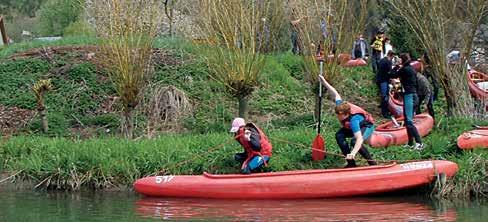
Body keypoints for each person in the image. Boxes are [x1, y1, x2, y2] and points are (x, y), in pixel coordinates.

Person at [318, 75, 377, 168]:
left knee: (354, 141)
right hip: (351, 126)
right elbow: (335, 94)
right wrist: (324, 82)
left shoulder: (354, 120)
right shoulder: (340, 106)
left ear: (346, 114)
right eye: (337, 114)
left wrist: (353, 153)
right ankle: (351, 164)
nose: (337, 117)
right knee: (339, 135)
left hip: (366, 126)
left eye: (339, 115)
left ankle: (373, 164)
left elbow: (359, 139)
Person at [390, 53, 425, 150]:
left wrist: (396, 65)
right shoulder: (410, 68)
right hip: (411, 95)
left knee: (409, 121)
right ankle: (410, 142)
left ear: (403, 60)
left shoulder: (405, 69)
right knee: (406, 120)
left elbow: (392, 74)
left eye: (400, 59)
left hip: (410, 96)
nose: (399, 60)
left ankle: (419, 143)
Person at [377, 50, 395, 118]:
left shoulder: (382, 60)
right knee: (385, 96)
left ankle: (383, 108)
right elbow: (389, 73)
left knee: (383, 95)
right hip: (383, 80)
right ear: (392, 56)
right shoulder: (388, 62)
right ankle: (385, 112)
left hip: (379, 79)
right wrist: (392, 79)